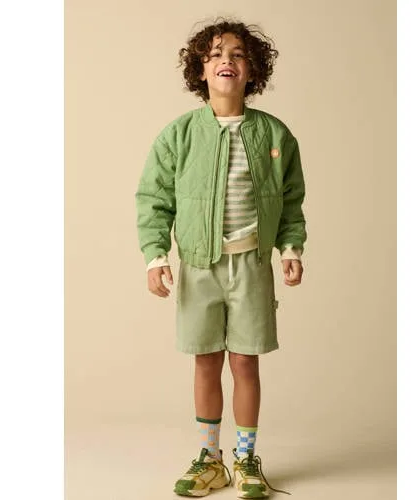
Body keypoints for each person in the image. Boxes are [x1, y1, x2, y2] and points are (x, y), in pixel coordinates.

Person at [135, 18, 306, 498]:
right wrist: (155, 256)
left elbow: (291, 198)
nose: (225, 61)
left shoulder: (274, 134)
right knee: (206, 361)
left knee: (246, 362)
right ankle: (210, 460)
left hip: (251, 264)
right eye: (214, 55)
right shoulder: (180, 134)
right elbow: (154, 197)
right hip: (198, 266)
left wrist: (291, 247)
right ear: (200, 70)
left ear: (252, 70)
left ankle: (246, 459)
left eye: (237, 54)